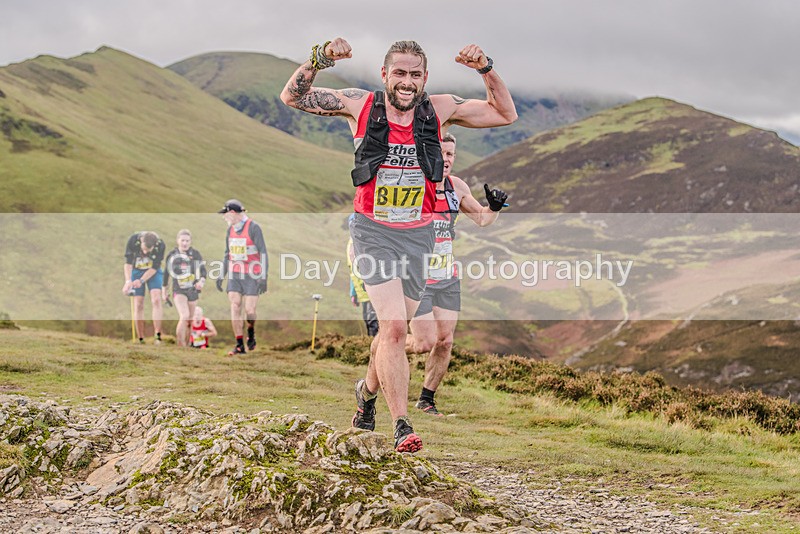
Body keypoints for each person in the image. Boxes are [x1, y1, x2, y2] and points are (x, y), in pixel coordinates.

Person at [281, 38, 516, 452]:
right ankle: (403, 425)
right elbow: (293, 96)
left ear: (424, 78)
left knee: (393, 331)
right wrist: (320, 60)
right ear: (385, 75)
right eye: (400, 73)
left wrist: (485, 69)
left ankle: (366, 393)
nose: (407, 82)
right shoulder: (360, 104)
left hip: (419, 236)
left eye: (415, 74)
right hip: (373, 231)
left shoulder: (439, 109)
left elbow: (504, 113)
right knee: (392, 327)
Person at [406, 133, 508, 416]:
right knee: (423, 343)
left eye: (451, 153)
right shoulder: (415, 183)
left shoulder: (457, 187)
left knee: (445, 341)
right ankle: (384, 349)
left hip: (447, 277)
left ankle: (427, 399)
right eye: (442, 152)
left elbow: (482, 219)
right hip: (417, 278)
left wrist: (494, 207)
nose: (447, 158)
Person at [216, 199, 268, 355]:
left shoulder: (254, 228)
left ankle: (250, 331)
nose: (223, 217)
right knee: (235, 305)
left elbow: (263, 252)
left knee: (249, 310)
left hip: (252, 274)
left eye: (225, 214)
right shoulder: (230, 230)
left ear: (232, 213)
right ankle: (239, 344)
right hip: (235, 273)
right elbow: (228, 253)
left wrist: (263, 277)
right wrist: (222, 274)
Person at [163, 229, 207, 347]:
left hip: (193, 290)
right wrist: (164, 291)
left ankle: (187, 346)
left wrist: (201, 282)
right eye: (182, 240)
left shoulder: (195, 254)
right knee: (184, 315)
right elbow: (166, 274)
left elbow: (203, 271)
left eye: (187, 241)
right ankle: (180, 344)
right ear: (178, 241)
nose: (185, 243)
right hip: (179, 290)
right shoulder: (172, 255)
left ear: (190, 242)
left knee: (190, 320)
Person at [121, 231, 166, 344]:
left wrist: (141, 281)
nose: (145, 252)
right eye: (144, 249)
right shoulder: (132, 241)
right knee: (138, 304)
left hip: (152, 272)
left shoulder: (160, 245)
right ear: (141, 241)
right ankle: (141, 338)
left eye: (148, 250)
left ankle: (157, 335)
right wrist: (128, 281)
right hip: (136, 270)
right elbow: (128, 263)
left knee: (156, 299)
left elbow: (155, 267)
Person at [347, 234, 379, 336]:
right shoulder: (351, 243)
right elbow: (353, 270)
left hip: (373, 288)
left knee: (374, 322)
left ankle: (377, 347)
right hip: (362, 292)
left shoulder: (367, 239)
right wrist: (353, 292)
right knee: (368, 320)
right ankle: (371, 346)